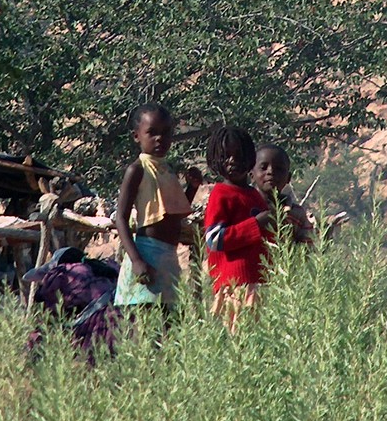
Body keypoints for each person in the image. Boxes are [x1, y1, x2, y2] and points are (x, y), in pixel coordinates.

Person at [113, 103, 194, 309]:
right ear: (136, 136)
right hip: (146, 254)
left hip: (168, 256)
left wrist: (192, 188)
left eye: (166, 133)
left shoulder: (167, 169)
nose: (160, 138)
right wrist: (136, 260)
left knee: (169, 325)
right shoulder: (137, 170)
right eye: (152, 133)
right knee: (144, 321)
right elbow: (120, 217)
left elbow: (174, 211)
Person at [203, 125, 275, 323]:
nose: (232, 161)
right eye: (226, 156)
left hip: (259, 279)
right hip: (236, 283)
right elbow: (214, 239)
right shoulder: (220, 194)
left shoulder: (253, 195)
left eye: (238, 155)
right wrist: (255, 225)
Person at [251, 144, 313, 245]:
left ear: (288, 178)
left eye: (279, 169)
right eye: (264, 167)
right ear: (251, 175)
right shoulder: (244, 207)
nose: (270, 172)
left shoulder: (296, 214)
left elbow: (307, 249)